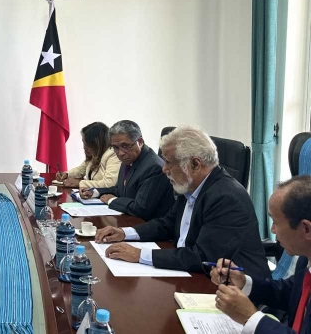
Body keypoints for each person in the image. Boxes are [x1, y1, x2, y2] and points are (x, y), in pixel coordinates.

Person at [95, 125, 270, 278]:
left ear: (195, 164)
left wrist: (139, 254)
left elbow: (201, 257)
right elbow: (167, 224)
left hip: (231, 290)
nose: (164, 169)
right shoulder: (190, 186)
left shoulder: (225, 198)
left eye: (169, 162)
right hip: (191, 275)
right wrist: (124, 233)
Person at [211, 175, 311, 334]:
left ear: (306, 229)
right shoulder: (305, 259)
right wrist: (244, 282)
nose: (272, 230)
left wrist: (250, 317)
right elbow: (288, 292)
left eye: (276, 222)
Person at [94, 120, 175, 220]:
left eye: (125, 146)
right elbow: (120, 189)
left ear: (140, 142)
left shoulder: (153, 167)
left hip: (149, 227)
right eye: (115, 147)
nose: (120, 153)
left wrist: (112, 200)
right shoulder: (130, 158)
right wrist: (95, 192)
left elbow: (140, 209)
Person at [55, 122, 120, 192]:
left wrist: (80, 183)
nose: (84, 147)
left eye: (87, 144)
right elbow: (80, 170)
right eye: (84, 143)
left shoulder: (113, 155)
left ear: (97, 143)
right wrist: (67, 174)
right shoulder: (95, 155)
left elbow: (109, 184)